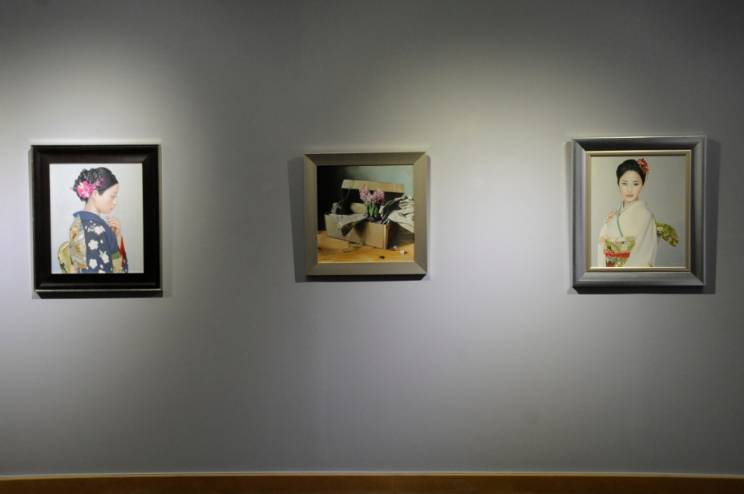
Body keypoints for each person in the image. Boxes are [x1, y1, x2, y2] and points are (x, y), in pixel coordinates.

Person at [58, 167, 128, 273]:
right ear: (95, 194)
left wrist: (116, 237)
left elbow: (76, 267)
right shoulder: (97, 230)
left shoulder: (77, 223)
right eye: (112, 196)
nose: (115, 202)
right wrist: (115, 240)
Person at [597, 158, 657, 268]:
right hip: (609, 272)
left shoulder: (647, 216)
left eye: (635, 184)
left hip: (632, 274)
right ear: (618, 184)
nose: (629, 189)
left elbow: (646, 254)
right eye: (624, 183)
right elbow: (602, 245)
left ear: (642, 184)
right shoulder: (613, 215)